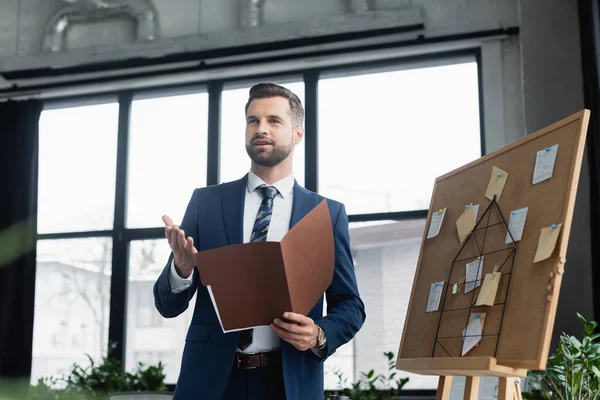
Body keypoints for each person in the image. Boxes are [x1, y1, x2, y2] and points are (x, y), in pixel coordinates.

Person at [153, 82, 366, 400]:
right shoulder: (206, 203)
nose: (260, 128)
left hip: (289, 382)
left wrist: (318, 333)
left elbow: (350, 305)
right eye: (253, 120)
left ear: (298, 133)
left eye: (273, 120)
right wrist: (181, 271)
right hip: (211, 382)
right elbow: (166, 305)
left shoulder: (327, 214)